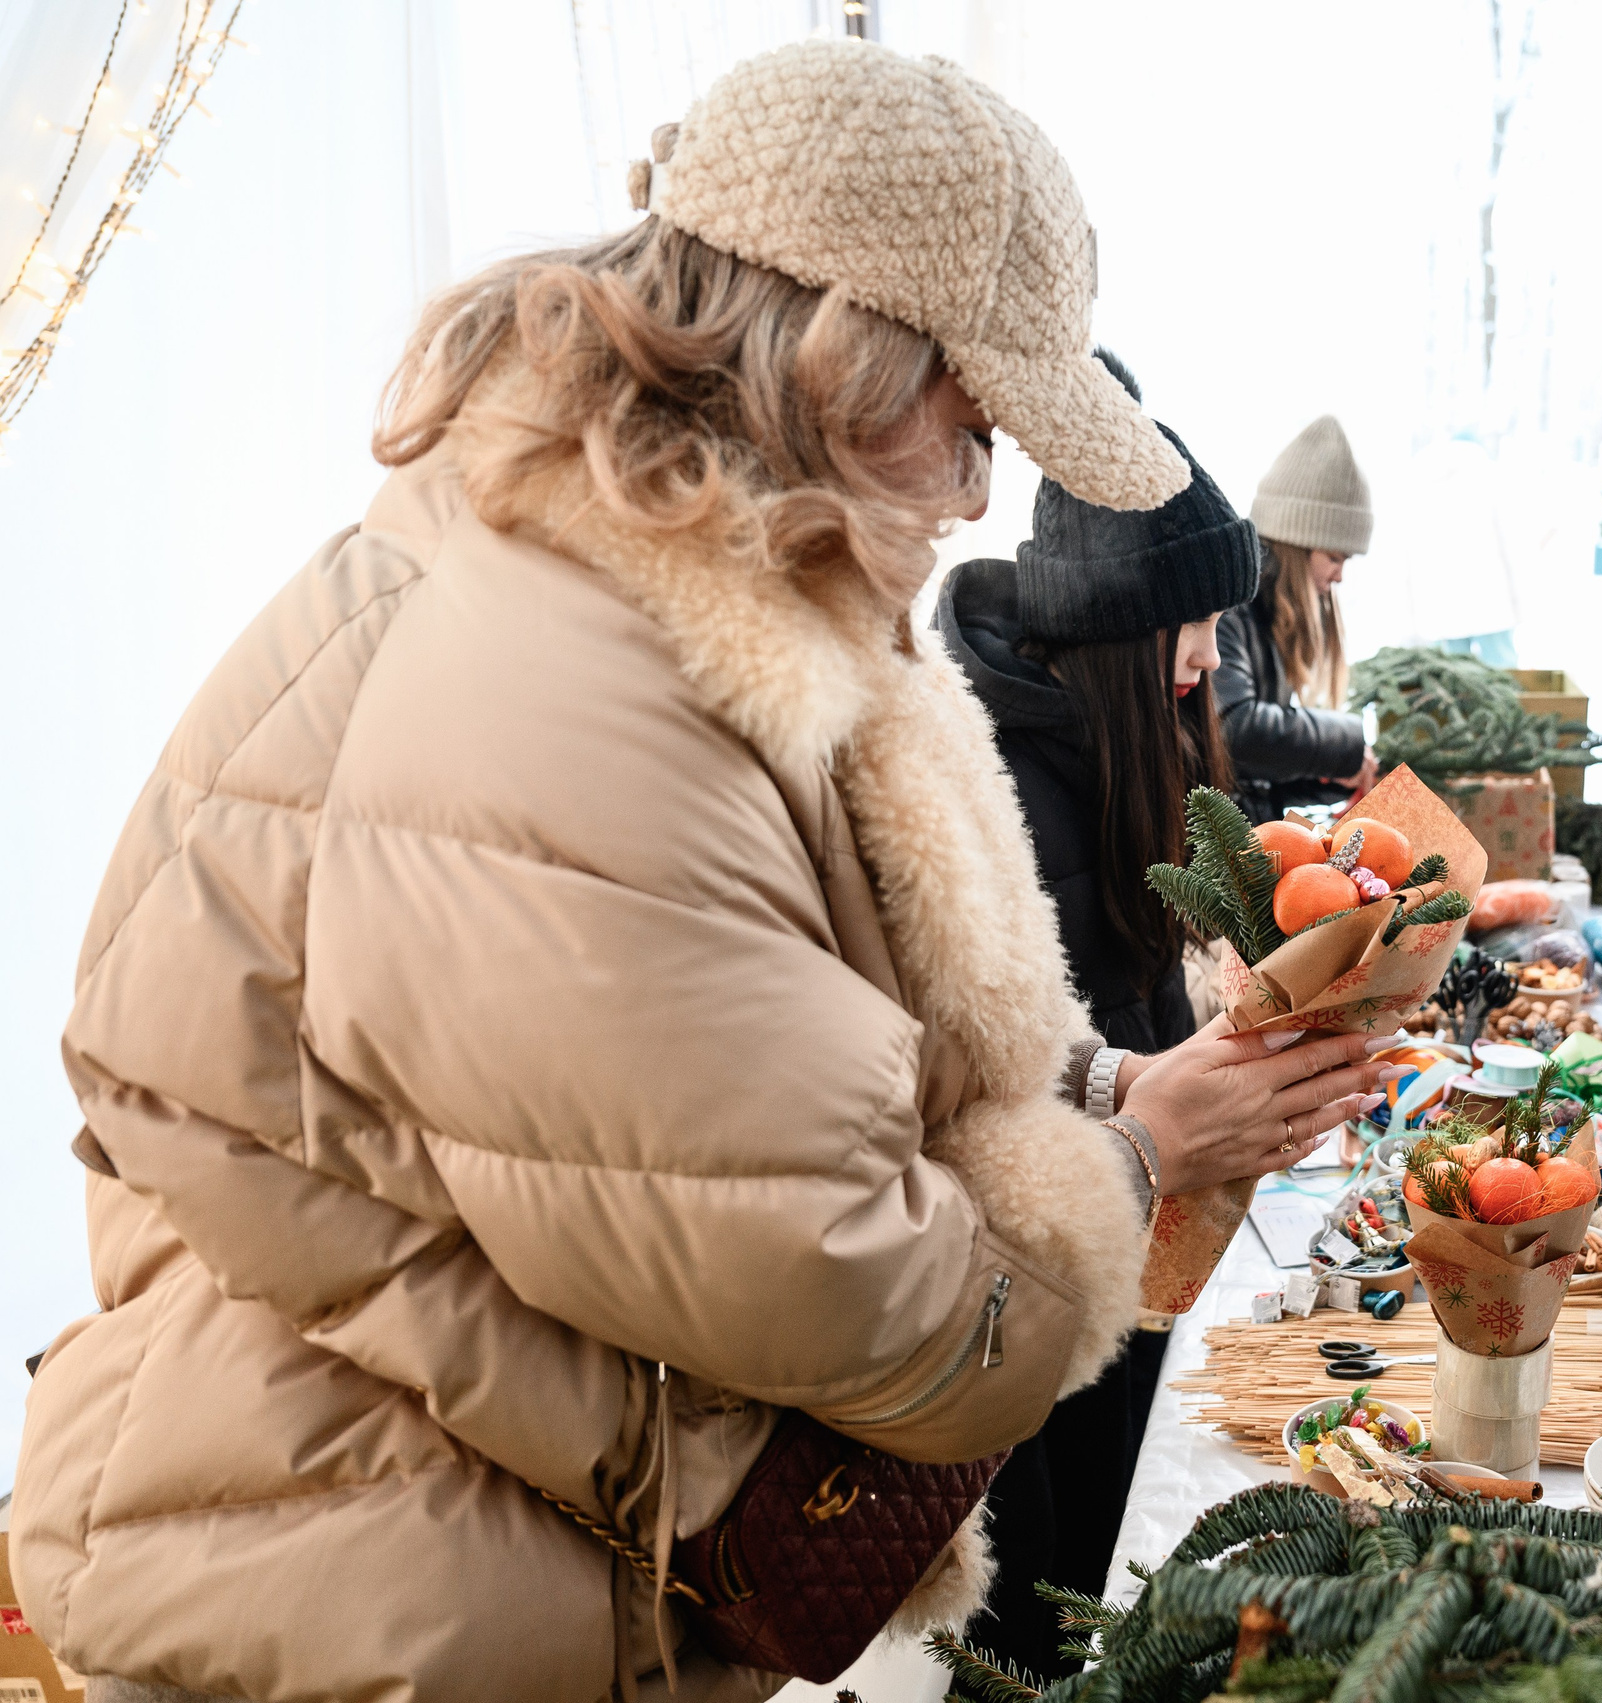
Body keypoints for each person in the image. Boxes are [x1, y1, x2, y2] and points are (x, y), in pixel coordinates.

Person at [10, 42, 1399, 1703]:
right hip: (376, 1586)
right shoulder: (584, 695)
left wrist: (1109, 1080)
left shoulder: (614, 573)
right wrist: (1122, 1162)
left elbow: (795, 1030)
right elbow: (853, 1292)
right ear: (849, 362)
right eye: (972, 428)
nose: (974, 502)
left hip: (425, 1528)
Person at [936, 353, 1273, 1676]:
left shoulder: (1106, 734)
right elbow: (1012, 1064)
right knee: (1043, 1593)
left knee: (1112, 1537)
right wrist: (1150, 1085)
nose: (1209, 659)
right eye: (1194, 623)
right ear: (1127, 618)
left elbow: (1122, 983)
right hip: (1035, 1262)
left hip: (1127, 1214)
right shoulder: (1010, 776)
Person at [1217, 415, 1376, 821]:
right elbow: (1234, 731)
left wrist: (1330, 776)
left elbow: (1253, 773)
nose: (1339, 575)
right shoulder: (1230, 606)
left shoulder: (1272, 615)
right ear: (1298, 545)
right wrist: (1345, 746)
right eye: (1334, 557)